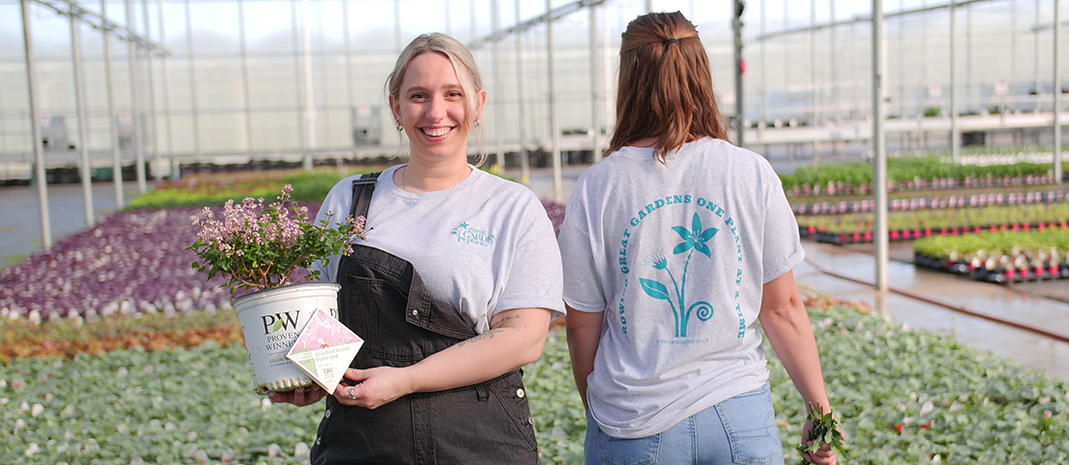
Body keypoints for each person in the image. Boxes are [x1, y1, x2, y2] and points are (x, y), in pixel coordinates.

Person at [557, 12, 838, 465]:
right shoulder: (750, 173)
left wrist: (604, 409)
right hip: (738, 414)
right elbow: (782, 307)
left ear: (627, 79)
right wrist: (819, 410)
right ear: (702, 72)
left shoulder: (599, 185)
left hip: (635, 419)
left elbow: (580, 323)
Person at [270, 33, 564, 465]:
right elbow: (320, 316)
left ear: (478, 104)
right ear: (396, 108)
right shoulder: (350, 200)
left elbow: (523, 339)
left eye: (453, 94)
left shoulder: (510, 208)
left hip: (478, 443)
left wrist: (405, 380)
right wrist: (312, 372)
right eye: (418, 96)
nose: (435, 111)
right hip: (363, 444)